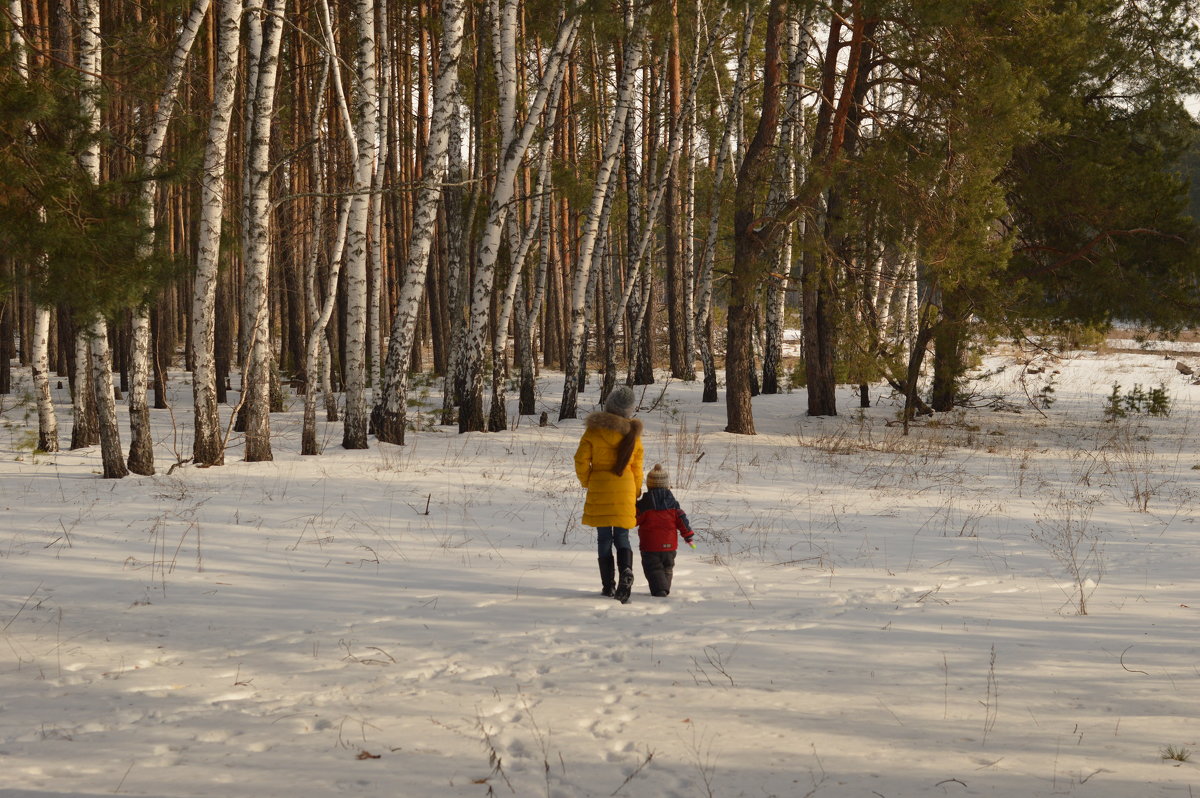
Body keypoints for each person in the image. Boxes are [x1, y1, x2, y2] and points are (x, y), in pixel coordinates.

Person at [574, 385, 643, 603]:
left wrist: (588, 481)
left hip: (600, 487)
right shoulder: (633, 434)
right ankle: (627, 571)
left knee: (604, 538)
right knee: (622, 536)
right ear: (628, 411)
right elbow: (637, 468)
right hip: (625, 489)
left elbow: (581, 459)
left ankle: (608, 585)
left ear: (609, 405)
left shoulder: (594, 430)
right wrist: (636, 490)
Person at [635, 464, 695, 597]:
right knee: (667, 567)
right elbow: (682, 520)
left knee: (653, 568)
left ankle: (660, 591)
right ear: (666, 485)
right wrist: (688, 536)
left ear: (649, 485)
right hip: (670, 546)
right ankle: (664, 588)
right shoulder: (673, 504)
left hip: (650, 546)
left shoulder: (644, 504)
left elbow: (634, 520)